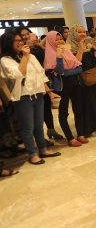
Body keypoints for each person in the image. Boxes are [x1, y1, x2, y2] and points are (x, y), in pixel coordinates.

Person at [0, 32, 61, 165]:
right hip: (22, 97)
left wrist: (49, 92)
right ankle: (32, 154)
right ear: (7, 43)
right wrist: (25, 56)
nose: (20, 42)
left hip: (38, 94)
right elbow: (18, 74)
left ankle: (43, 149)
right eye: (15, 40)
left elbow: (41, 74)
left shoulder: (30, 56)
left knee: (39, 125)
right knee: (28, 127)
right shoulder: (5, 60)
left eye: (20, 40)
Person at [17, 27, 63, 142]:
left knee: (46, 107)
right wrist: (27, 44)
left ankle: (51, 129)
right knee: (36, 114)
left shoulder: (36, 48)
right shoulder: (22, 52)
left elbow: (47, 41)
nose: (27, 36)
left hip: (43, 80)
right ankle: (39, 138)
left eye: (28, 33)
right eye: (23, 35)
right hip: (31, 86)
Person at [44, 31, 89, 147]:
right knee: (63, 113)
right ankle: (70, 138)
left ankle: (81, 134)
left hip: (75, 84)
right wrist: (58, 57)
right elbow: (59, 71)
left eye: (60, 39)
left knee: (79, 109)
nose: (59, 41)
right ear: (50, 41)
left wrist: (67, 71)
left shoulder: (67, 51)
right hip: (62, 87)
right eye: (56, 39)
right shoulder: (49, 54)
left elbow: (79, 68)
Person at [66, 24, 96, 136]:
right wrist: (81, 49)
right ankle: (90, 127)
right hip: (83, 80)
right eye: (79, 32)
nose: (82, 34)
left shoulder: (88, 45)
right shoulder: (69, 48)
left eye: (83, 31)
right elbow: (76, 64)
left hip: (95, 76)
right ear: (73, 34)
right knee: (88, 103)